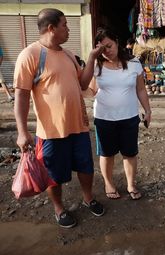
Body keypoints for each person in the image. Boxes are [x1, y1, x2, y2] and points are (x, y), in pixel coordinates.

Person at [13, 8, 105, 228]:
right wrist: (22, 131)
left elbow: (83, 84)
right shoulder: (30, 55)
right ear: (51, 28)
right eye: (65, 25)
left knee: (85, 167)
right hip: (51, 132)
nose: (68, 29)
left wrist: (92, 57)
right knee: (53, 174)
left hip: (79, 127)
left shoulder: (68, 54)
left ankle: (88, 198)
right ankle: (59, 209)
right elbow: (22, 96)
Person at [87, 27, 151, 200]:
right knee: (107, 154)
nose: (107, 51)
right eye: (102, 49)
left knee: (130, 153)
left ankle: (131, 184)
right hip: (104, 118)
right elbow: (88, 90)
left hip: (129, 117)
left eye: (109, 46)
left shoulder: (134, 63)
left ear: (117, 42)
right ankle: (109, 183)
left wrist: (148, 110)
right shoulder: (96, 65)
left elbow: (141, 90)